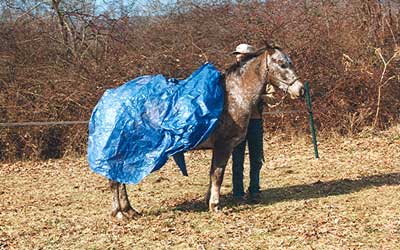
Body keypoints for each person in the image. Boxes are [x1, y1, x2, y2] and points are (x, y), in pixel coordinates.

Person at [231, 43, 265, 201]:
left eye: (241, 55)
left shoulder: (261, 76)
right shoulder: (232, 74)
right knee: (237, 158)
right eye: (237, 55)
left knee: (256, 158)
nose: (238, 57)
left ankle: (255, 189)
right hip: (237, 123)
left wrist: (258, 96)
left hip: (255, 121)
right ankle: (237, 192)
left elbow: (272, 96)